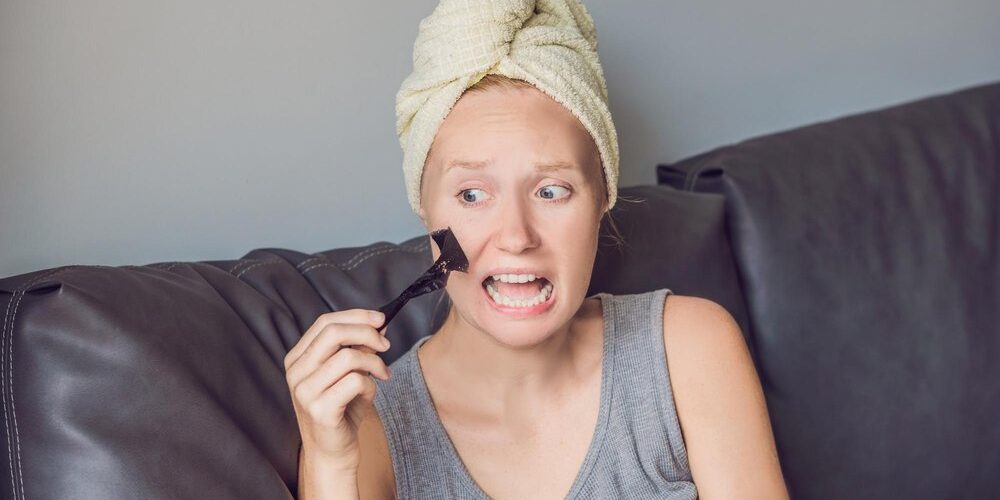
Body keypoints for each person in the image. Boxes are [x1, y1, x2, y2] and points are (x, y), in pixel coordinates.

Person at [284, 1, 788, 498]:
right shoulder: (367, 427)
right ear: (426, 211)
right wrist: (329, 465)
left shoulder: (690, 349)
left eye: (551, 191)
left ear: (601, 202)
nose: (516, 236)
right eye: (472, 195)